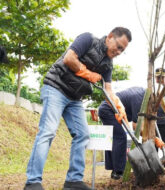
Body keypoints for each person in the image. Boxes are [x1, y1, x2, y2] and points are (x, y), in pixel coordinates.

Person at [24, 27, 132, 190]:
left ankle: (73, 181)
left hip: (74, 98)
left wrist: (119, 108)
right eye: (118, 46)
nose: (119, 52)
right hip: (56, 88)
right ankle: (32, 182)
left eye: (122, 50)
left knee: (82, 135)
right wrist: (89, 74)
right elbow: (69, 59)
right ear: (110, 37)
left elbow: (108, 91)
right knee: (48, 131)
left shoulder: (108, 65)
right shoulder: (88, 39)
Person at [98, 87, 145, 180]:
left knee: (114, 139)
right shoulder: (139, 98)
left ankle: (115, 170)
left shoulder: (141, 93)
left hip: (106, 109)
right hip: (108, 110)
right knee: (120, 137)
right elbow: (136, 126)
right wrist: (149, 139)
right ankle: (119, 171)